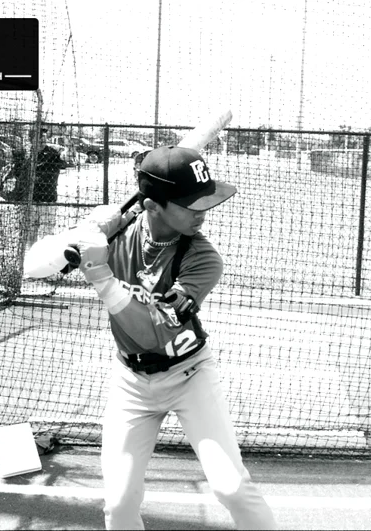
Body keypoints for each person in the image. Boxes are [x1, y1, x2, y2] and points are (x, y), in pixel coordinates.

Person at [66, 145, 276, 530]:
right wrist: (84, 234)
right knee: (119, 503)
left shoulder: (203, 259)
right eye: (189, 203)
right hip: (131, 383)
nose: (202, 212)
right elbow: (37, 268)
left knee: (231, 487)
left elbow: (151, 332)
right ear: (153, 205)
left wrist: (100, 276)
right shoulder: (118, 234)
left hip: (189, 376)